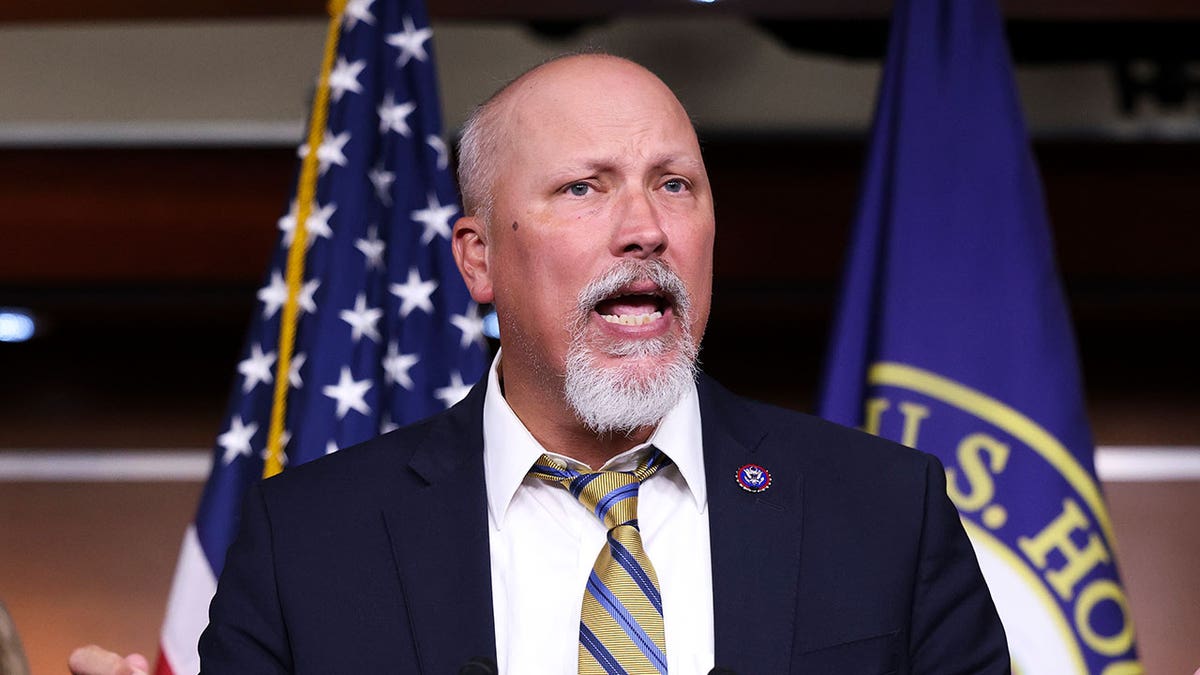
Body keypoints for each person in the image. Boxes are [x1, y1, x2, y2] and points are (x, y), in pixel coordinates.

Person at [71, 54, 1008, 674]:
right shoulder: (309, 542)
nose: (644, 228)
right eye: (584, 188)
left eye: (673, 184)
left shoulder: (888, 512)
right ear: (476, 257)